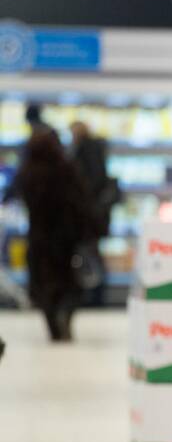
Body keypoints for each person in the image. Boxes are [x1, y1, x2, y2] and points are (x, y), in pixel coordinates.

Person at [12, 130, 93, 341]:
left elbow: (17, 197)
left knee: (44, 284)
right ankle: (64, 314)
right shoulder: (66, 169)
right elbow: (81, 202)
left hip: (39, 237)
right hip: (65, 237)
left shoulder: (27, 172)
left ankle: (53, 324)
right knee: (67, 281)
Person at [69, 121, 117, 306]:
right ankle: (95, 292)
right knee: (92, 253)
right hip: (95, 213)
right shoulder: (96, 149)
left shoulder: (85, 150)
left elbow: (90, 181)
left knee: (89, 253)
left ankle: (93, 293)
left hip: (89, 213)